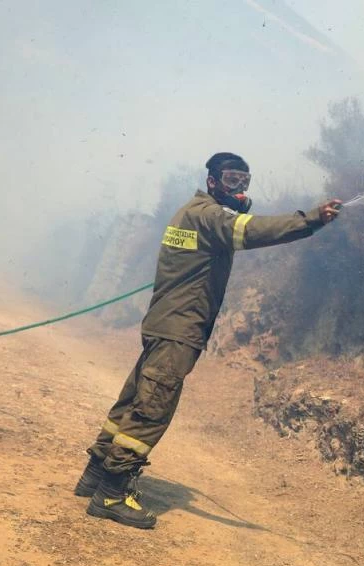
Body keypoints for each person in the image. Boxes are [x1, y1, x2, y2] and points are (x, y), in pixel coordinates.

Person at [73, 152, 342, 528]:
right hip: (180, 328)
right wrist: (312, 219)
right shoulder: (210, 216)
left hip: (165, 323)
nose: (239, 188)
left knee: (134, 399)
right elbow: (250, 231)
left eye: (244, 181)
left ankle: (94, 475)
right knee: (153, 409)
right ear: (212, 181)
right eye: (231, 180)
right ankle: (113, 493)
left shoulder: (192, 212)